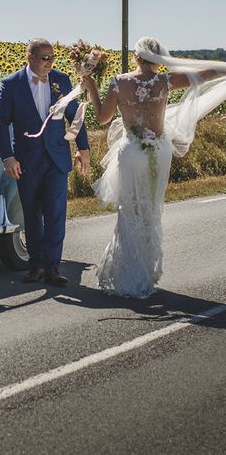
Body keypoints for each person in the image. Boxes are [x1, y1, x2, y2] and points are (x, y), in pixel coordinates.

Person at [81, 36, 226, 299]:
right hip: (159, 152)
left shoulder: (120, 82)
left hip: (130, 151)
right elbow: (205, 75)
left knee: (129, 211)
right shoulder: (166, 81)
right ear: (159, 58)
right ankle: (145, 274)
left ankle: (128, 274)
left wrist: (91, 86)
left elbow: (103, 118)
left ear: (136, 56)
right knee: (150, 211)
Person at [0, 38, 90, 285]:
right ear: (30, 58)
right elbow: (1, 122)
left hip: (57, 158)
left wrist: (83, 148)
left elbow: (75, 117)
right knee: (32, 214)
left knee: (56, 213)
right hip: (26, 160)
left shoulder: (62, 81)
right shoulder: (11, 84)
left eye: (52, 57)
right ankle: (36, 265)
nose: (49, 62)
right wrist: (8, 157)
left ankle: (53, 267)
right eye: (44, 57)